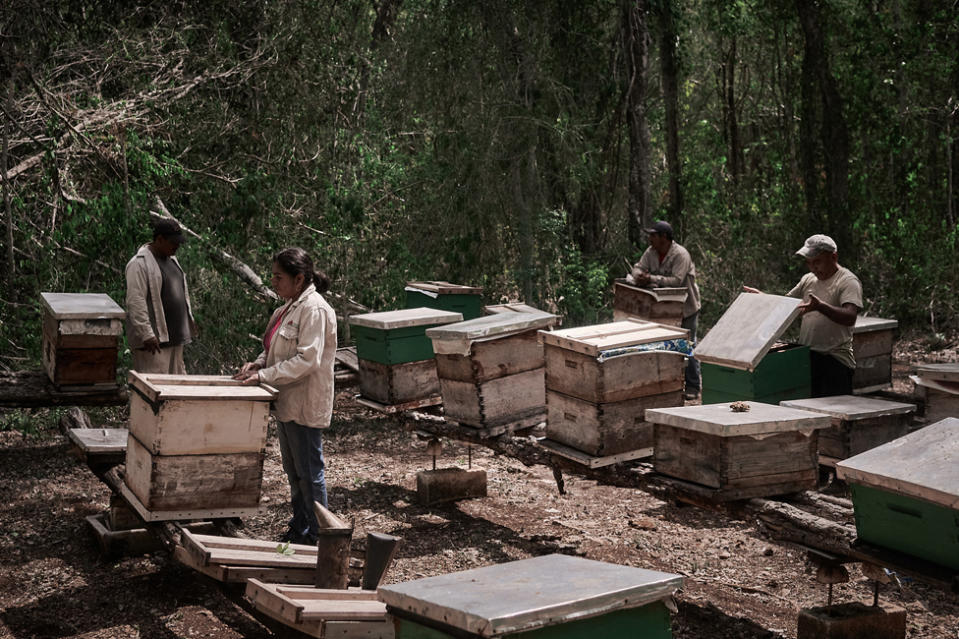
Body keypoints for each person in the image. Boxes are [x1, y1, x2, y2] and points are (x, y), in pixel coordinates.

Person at [234, 247, 337, 545]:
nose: (273, 281)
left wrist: (263, 375)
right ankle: (302, 527)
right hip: (287, 402)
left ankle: (322, 537)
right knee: (295, 472)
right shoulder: (289, 306)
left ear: (299, 278)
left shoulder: (314, 309)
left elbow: (307, 360)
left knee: (309, 472)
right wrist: (259, 362)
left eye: (278, 277)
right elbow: (275, 347)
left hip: (304, 404)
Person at [743, 234, 862, 397]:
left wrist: (820, 307)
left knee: (835, 417)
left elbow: (850, 316)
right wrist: (763, 298)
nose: (813, 268)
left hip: (835, 361)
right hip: (807, 358)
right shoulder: (808, 279)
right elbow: (785, 305)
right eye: (809, 263)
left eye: (817, 262)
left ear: (833, 257)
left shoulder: (848, 282)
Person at [627, 220, 702, 400]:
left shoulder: (681, 254)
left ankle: (693, 386)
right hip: (661, 309)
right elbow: (638, 267)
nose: (649, 238)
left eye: (653, 235)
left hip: (686, 308)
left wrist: (650, 278)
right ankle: (666, 384)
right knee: (664, 345)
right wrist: (639, 276)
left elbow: (677, 280)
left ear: (664, 238)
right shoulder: (651, 251)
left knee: (687, 345)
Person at [125, 219, 197, 374]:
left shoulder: (172, 260)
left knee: (177, 389)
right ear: (159, 240)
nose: (177, 246)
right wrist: (147, 334)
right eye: (173, 242)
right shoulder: (139, 264)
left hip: (175, 340)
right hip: (154, 344)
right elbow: (135, 301)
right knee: (154, 389)